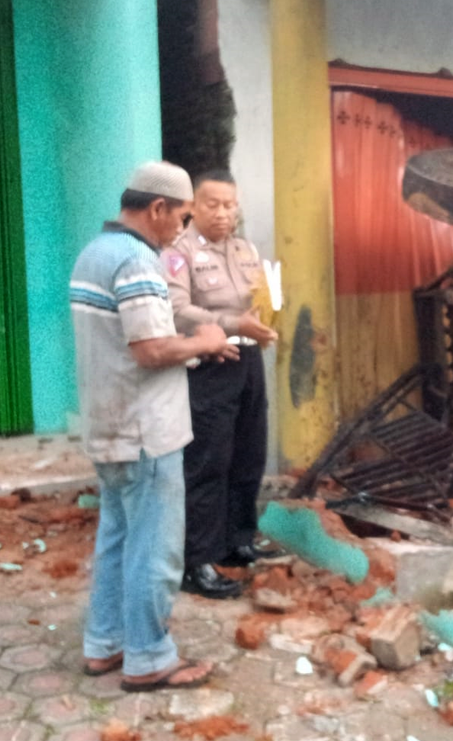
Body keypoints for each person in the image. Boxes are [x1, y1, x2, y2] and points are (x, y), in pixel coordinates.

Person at [69, 161, 238, 691]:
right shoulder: (138, 261)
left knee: (118, 538)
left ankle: (105, 644)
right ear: (158, 208)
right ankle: (148, 658)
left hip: (109, 421)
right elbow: (150, 349)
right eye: (182, 217)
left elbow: (128, 342)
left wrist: (187, 349)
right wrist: (206, 343)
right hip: (146, 432)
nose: (182, 230)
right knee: (156, 548)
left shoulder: (93, 253)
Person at [162, 169, 280, 599]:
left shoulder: (245, 249)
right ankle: (198, 561)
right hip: (209, 363)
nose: (223, 213)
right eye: (212, 204)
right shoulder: (179, 253)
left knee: (249, 454)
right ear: (193, 206)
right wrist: (229, 323)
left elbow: (259, 302)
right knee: (208, 462)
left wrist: (268, 323)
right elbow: (176, 309)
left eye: (230, 205)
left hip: (248, 361)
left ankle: (237, 542)